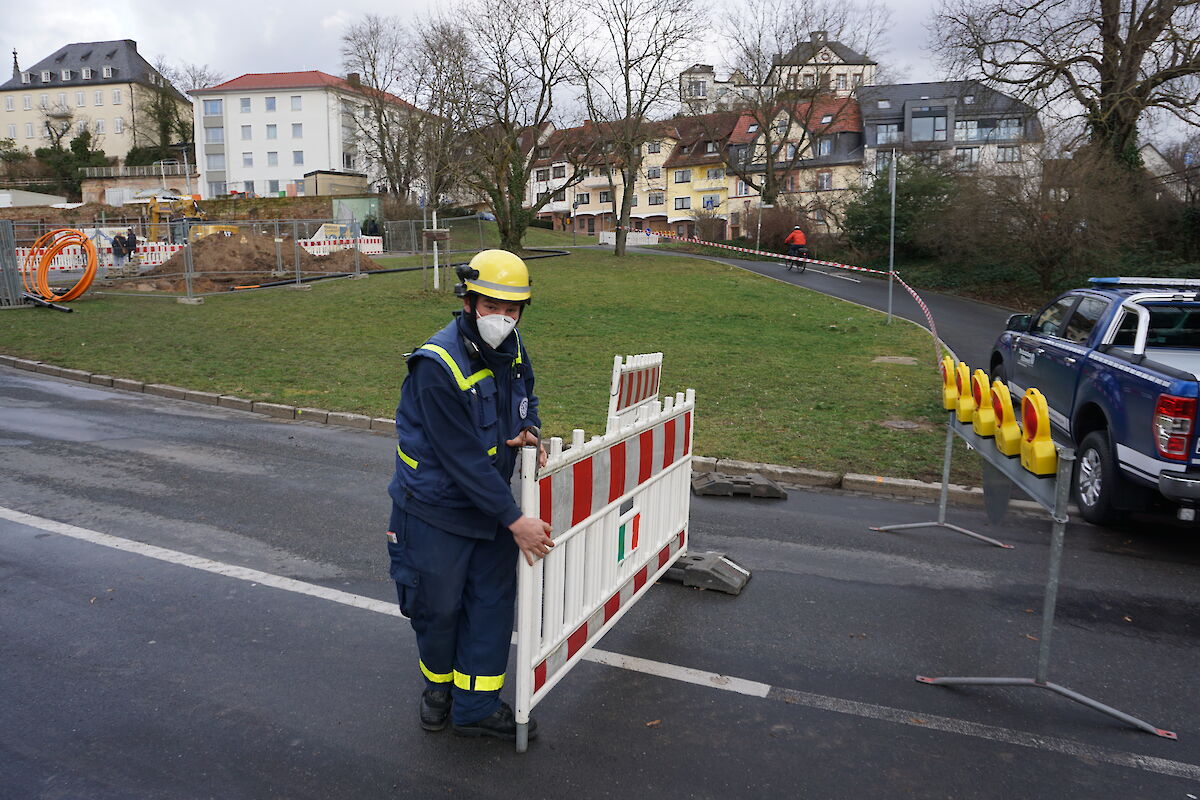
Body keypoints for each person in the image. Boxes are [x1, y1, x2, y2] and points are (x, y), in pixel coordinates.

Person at [386, 249, 553, 742]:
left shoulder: (513, 348)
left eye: (512, 309)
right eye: (491, 307)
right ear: (468, 302)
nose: (502, 319)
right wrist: (514, 519)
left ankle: (475, 707)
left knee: (491, 607)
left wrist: (530, 428)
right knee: (437, 609)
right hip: (435, 510)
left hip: (490, 510)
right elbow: (458, 457)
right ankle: (438, 691)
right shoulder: (436, 364)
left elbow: (525, 396)